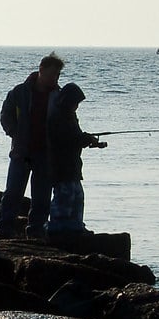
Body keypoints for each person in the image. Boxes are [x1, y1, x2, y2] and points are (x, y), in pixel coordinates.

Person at [0, 52, 64, 238]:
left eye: (57, 75)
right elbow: (5, 115)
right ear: (41, 70)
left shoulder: (58, 96)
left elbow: (67, 120)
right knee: (13, 192)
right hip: (21, 150)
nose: (54, 78)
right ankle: (4, 229)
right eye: (52, 74)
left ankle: (36, 231)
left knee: (42, 197)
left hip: (45, 152)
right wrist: (14, 133)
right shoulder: (20, 92)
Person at [46, 82, 106, 235]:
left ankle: (76, 226)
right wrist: (86, 139)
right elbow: (67, 139)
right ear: (67, 101)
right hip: (61, 167)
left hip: (72, 166)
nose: (76, 106)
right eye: (75, 103)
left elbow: (75, 138)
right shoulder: (57, 118)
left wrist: (90, 141)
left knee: (77, 196)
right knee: (64, 197)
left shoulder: (70, 116)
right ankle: (57, 229)